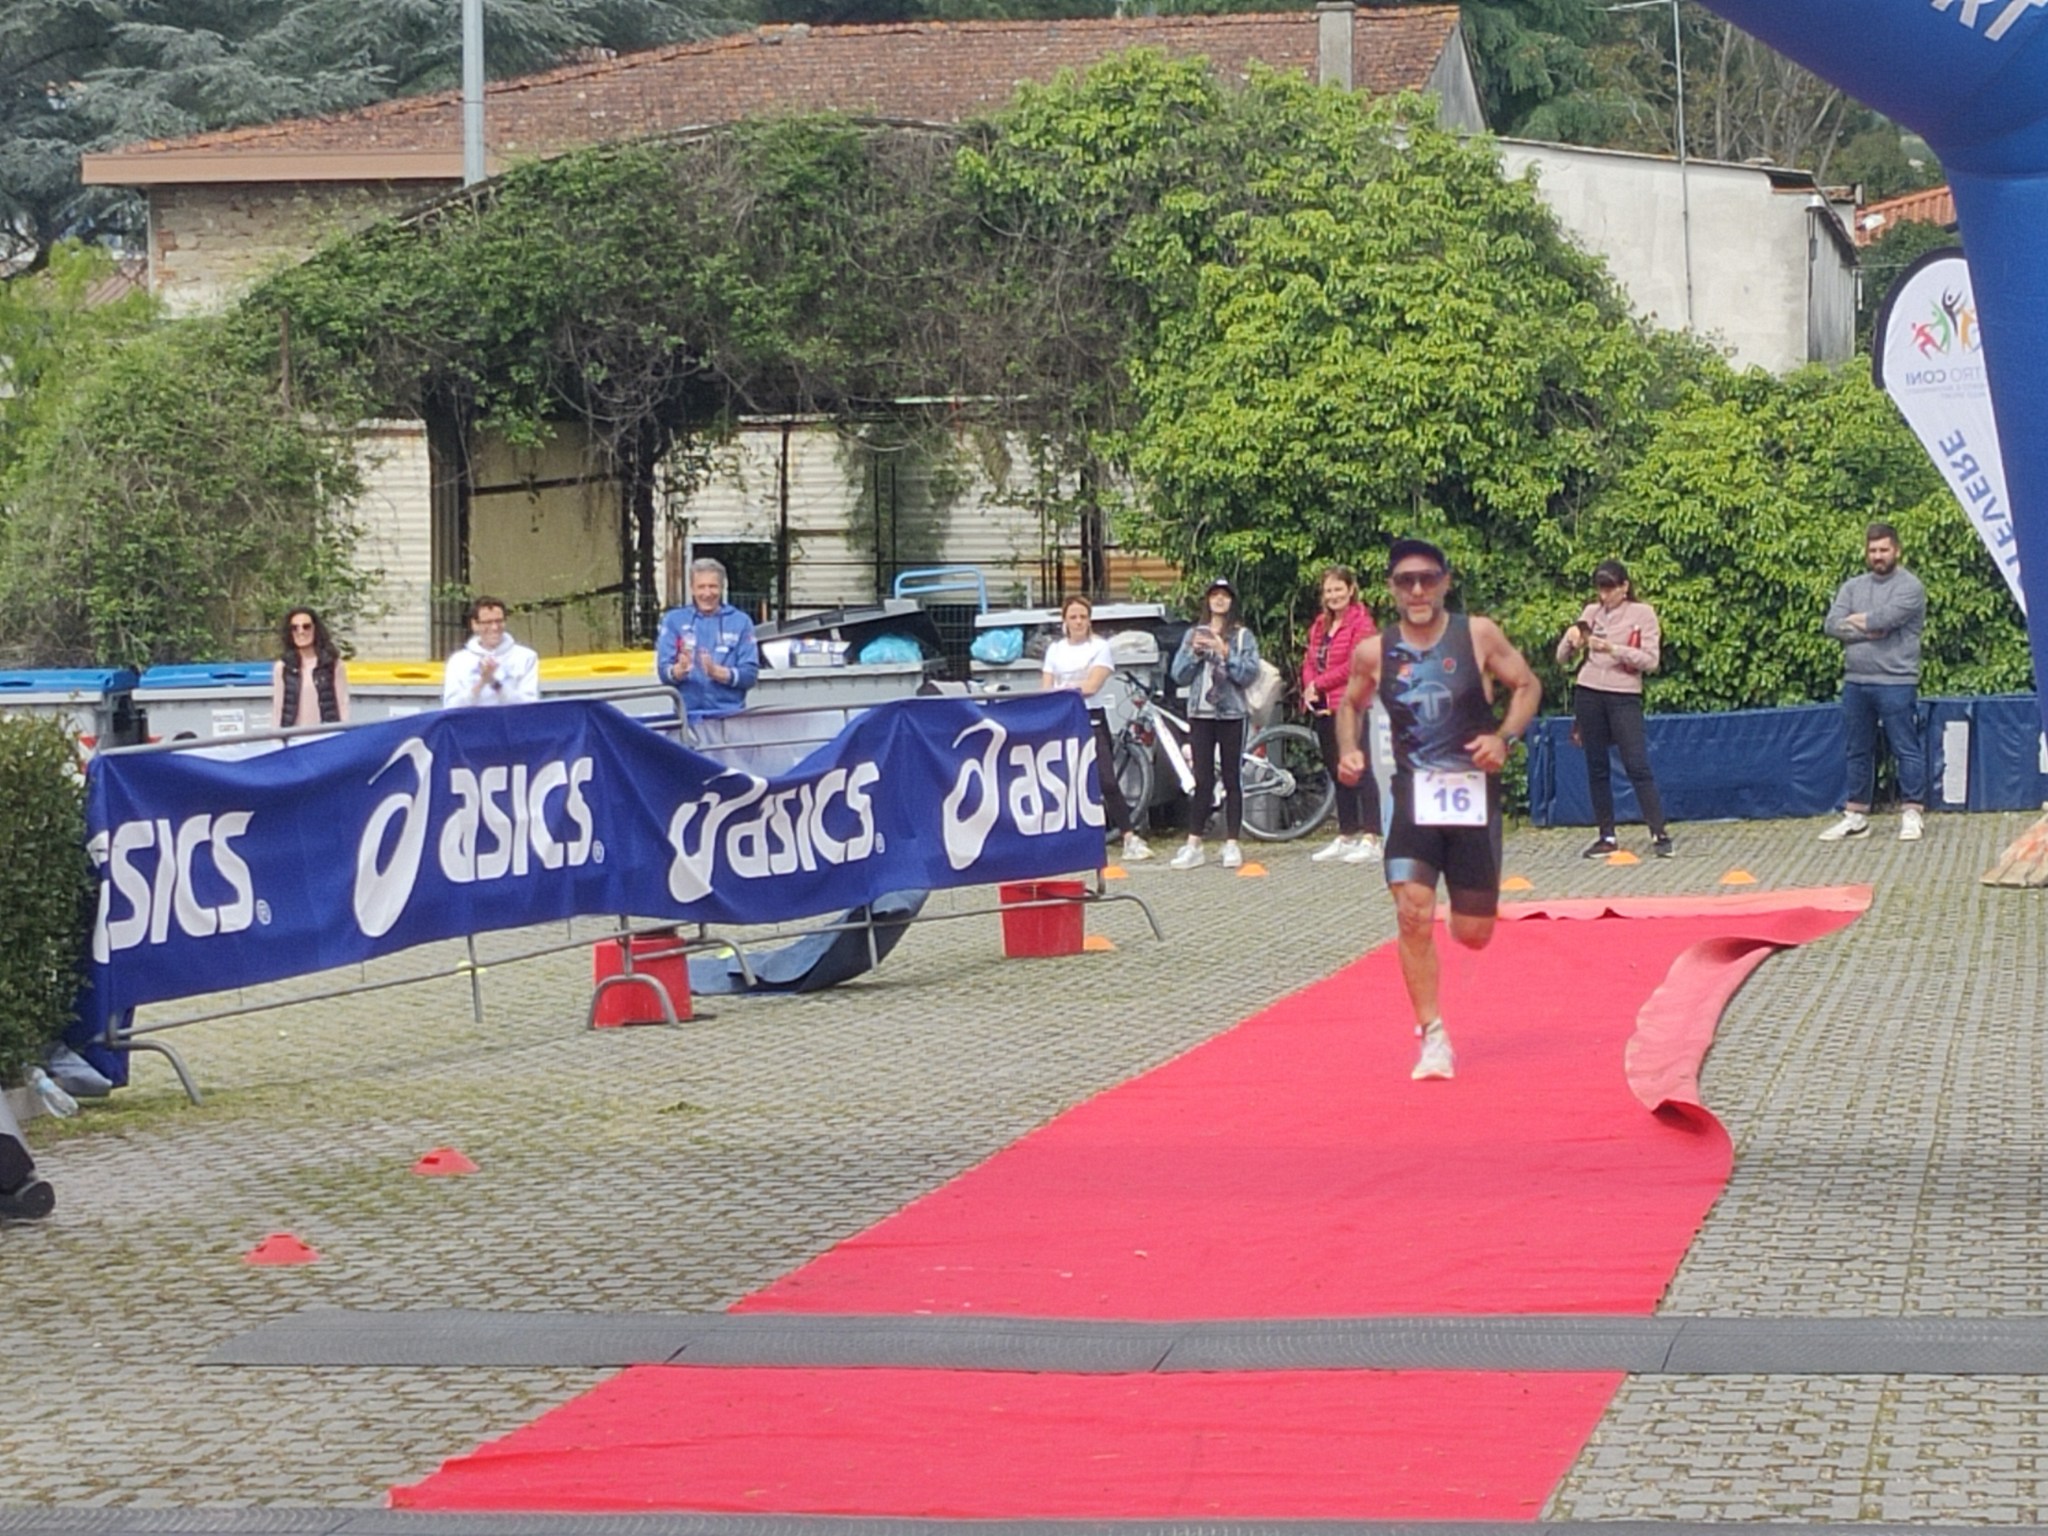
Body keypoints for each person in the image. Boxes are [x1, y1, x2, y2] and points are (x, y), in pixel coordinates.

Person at [1336, 538, 1541, 1081]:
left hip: (1472, 798)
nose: (1418, 590)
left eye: (1428, 578)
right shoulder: (1374, 652)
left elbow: (1526, 685)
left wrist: (1503, 738)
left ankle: (1459, 908)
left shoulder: (1478, 634)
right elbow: (1349, 704)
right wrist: (1348, 749)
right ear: (1391, 589)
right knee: (1412, 911)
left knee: (1473, 933)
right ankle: (1432, 1034)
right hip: (1413, 797)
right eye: (1406, 581)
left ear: (1445, 582)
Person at [1556, 560, 1672, 860]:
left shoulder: (1642, 614)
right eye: (1600, 589)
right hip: (1589, 691)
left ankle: (1659, 832)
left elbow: (1651, 660)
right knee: (1597, 766)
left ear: (1624, 587)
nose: (1604, 596)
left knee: (1636, 764)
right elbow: (1562, 658)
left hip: (1624, 693)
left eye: (1609, 589)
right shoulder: (1591, 612)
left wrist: (1613, 649)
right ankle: (1606, 835)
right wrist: (1570, 640)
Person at [1821, 522, 1928, 842]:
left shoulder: (1911, 587)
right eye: (1873, 550)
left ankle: (1912, 813)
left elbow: (1886, 618)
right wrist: (1870, 630)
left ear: (1897, 550)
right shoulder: (1852, 587)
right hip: (1855, 681)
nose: (1878, 556)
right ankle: (1856, 816)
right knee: (1857, 749)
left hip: (1897, 681)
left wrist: (1859, 622)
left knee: (1905, 748)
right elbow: (1832, 625)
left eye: (1884, 550)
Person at [1042, 595, 1152, 864]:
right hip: (1061, 718)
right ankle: (1063, 841)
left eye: (1083, 617)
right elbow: (1046, 688)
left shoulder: (1100, 647)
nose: (1078, 622)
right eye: (1073, 617)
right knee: (1063, 781)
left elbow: (1092, 686)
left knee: (1106, 780)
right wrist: (1069, 689)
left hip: (1091, 717)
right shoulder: (1055, 650)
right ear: (1065, 621)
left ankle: (1129, 837)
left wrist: (1064, 688)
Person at [1168, 577, 1262, 870]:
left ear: (1232, 602)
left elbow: (1248, 674)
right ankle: (1194, 843)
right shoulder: (1193, 633)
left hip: (1232, 713)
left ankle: (1231, 842)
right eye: (1214, 595)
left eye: (1225, 596)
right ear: (1207, 601)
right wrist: (1193, 654)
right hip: (1201, 713)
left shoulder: (1243, 636)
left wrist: (1225, 652)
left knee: (1232, 778)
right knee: (1203, 779)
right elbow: (1178, 675)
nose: (1219, 600)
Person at [1300, 564, 1382, 864]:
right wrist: (1310, 686)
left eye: (1338, 589)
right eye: (1328, 590)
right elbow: (1309, 660)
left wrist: (1319, 684)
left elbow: (1355, 664)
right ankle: (1347, 834)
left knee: (1362, 769)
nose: (1333, 595)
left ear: (1350, 590)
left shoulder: (1363, 624)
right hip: (1324, 706)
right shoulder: (1320, 625)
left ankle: (1372, 837)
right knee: (1337, 770)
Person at [656, 557, 760, 720]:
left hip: (730, 717)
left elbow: (750, 676)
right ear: (692, 588)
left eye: (713, 586)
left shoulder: (741, 621)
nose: (707, 593)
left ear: (722, 587)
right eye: (701, 587)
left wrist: (718, 673)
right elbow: (664, 673)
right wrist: (678, 671)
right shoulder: (673, 620)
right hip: (687, 718)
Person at [443, 595, 540, 708]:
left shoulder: (526, 657)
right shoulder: (458, 661)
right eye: (488, 622)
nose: (494, 627)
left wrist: (495, 684)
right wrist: (482, 682)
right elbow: (451, 707)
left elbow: (529, 705)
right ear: (475, 624)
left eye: (499, 621)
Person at [270, 607, 351, 728]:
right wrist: (277, 737)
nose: (301, 632)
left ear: (315, 629)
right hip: (293, 735)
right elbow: (278, 710)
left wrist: (343, 734)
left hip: (327, 734)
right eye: (294, 628)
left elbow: (343, 705)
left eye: (306, 626)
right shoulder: (282, 667)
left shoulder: (333, 665)